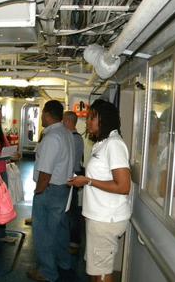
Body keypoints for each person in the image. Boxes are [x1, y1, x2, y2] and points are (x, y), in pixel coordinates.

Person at [68, 99, 132, 282]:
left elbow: (123, 186)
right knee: (96, 271)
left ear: (103, 119)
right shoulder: (102, 143)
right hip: (98, 217)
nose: (87, 122)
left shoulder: (114, 144)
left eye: (91, 118)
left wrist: (87, 181)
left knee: (102, 272)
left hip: (107, 218)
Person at [28, 100, 75, 282]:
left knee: (43, 232)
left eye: (42, 114)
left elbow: (45, 173)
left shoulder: (51, 137)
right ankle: (64, 262)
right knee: (60, 230)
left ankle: (47, 272)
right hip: (63, 188)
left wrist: (38, 193)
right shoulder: (66, 133)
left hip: (49, 190)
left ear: (47, 114)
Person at [0, 106, 18, 244]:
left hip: (2, 172)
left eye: (0, 115)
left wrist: (14, 155)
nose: (0, 118)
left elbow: (7, 150)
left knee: (1, 203)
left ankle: (1, 234)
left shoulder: (0, 134)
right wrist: (0, 157)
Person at [63, 110, 85, 254]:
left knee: (72, 211)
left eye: (63, 120)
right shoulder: (74, 137)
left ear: (68, 121)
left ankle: (74, 241)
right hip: (71, 176)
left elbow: (69, 161)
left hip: (72, 177)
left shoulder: (74, 139)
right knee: (71, 210)